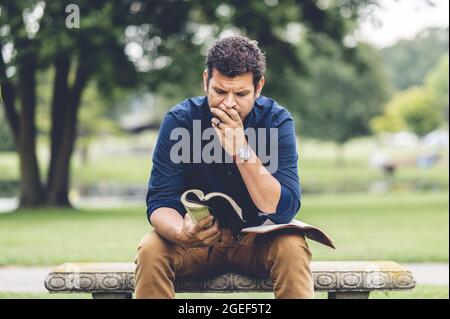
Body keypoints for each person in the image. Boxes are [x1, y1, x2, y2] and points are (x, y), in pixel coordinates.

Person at [135, 36, 313, 299]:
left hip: (257, 242)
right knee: (151, 247)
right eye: (219, 91)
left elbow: (284, 209)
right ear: (206, 80)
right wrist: (182, 233)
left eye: (241, 94)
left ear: (258, 87)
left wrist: (241, 149)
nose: (228, 103)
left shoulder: (276, 121)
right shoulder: (180, 120)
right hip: (198, 243)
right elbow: (160, 201)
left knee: (292, 245)